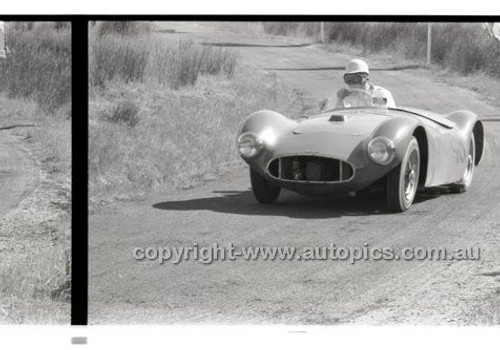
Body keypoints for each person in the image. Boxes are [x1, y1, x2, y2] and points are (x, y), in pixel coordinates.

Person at [322, 59, 395, 110]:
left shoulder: (380, 94)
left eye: (356, 78)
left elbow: (389, 115)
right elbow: (328, 115)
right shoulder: (340, 96)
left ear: (365, 78)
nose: (353, 83)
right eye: (349, 79)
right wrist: (339, 99)